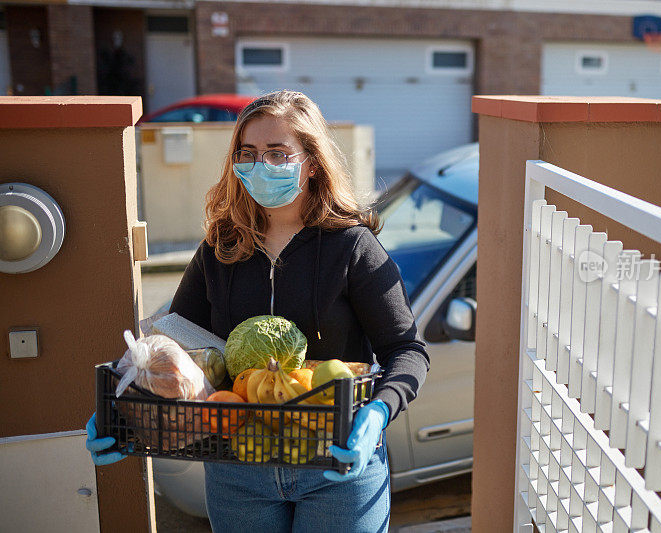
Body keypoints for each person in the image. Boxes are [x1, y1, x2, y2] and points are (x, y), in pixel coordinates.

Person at [85, 90, 430, 532]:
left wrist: (378, 412)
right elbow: (173, 337)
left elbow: (406, 349)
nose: (260, 164)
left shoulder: (353, 247)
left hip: (335, 470)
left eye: (277, 153)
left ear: (312, 161)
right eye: (247, 153)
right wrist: (125, 395)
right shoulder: (222, 245)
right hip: (237, 469)